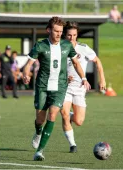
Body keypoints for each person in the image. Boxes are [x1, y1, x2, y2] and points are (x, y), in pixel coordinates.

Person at [23, 16, 91, 161]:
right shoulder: (40, 45)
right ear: (49, 30)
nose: (59, 34)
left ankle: (40, 151)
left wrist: (84, 78)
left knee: (52, 115)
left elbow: (76, 63)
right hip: (42, 86)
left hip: (60, 87)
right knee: (40, 120)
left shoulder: (67, 46)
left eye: (61, 31)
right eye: (56, 31)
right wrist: (26, 75)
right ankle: (38, 131)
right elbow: (28, 64)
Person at [61, 21, 106, 153]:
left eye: (74, 35)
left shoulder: (83, 48)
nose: (72, 38)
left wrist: (102, 79)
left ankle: (69, 115)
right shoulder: (60, 48)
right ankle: (72, 144)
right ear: (65, 35)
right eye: (69, 35)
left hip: (80, 88)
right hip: (64, 87)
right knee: (63, 113)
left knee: (79, 121)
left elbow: (97, 61)